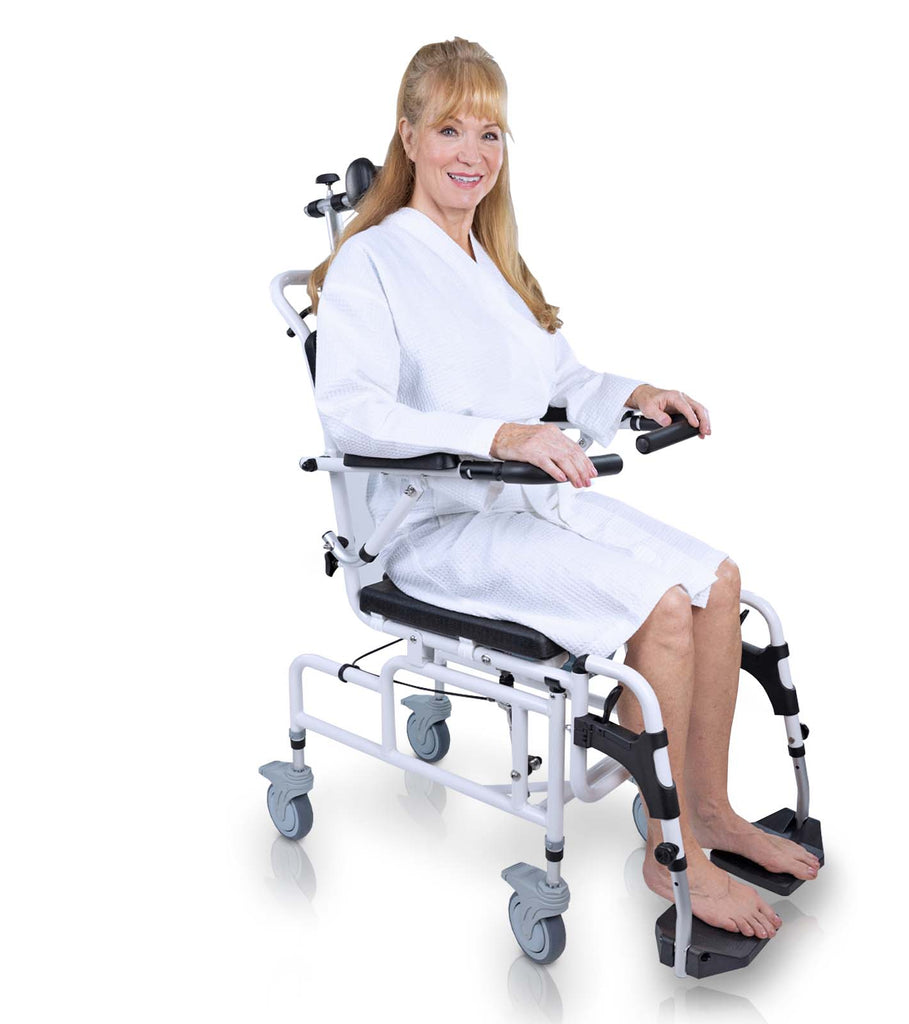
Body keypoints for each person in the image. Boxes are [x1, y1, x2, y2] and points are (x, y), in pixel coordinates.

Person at [309, 37, 819, 942]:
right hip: (436, 530)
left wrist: (632, 394)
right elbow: (354, 414)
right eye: (451, 129)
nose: (474, 153)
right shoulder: (372, 261)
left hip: (527, 507)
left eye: (491, 133)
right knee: (664, 608)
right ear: (409, 138)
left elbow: (563, 379)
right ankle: (673, 857)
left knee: (720, 581)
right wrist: (499, 436)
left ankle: (710, 811)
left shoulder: (490, 261)